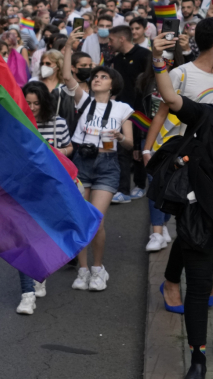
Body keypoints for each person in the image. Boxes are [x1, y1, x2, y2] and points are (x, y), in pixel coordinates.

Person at [150, 32, 213, 379]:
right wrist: (159, 61)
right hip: (200, 215)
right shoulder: (206, 114)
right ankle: (197, 360)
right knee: (199, 288)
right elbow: (171, 98)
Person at [63, 28, 133, 292]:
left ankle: (98, 268)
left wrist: (120, 136)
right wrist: (68, 47)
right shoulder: (84, 101)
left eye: (103, 77)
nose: (97, 79)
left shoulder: (122, 108)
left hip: (107, 164)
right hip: (82, 162)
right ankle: (82, 270)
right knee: (81, 218)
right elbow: (67, 76)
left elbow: (129, 143)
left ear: (112, 84)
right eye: (95, 77)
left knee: (96, 220)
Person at [15, 82, 73, 315]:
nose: (32, 108)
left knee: (43, 236)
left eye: (36, 103)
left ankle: (41, 274)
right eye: (28, 103)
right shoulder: (17, 121)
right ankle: (27, 292)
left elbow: (69, 148)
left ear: (44, 103)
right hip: (22, 187)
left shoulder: (57, 123)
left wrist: (55, 152)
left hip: (49, 188)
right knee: (25, 239)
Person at [109, 24, 152, 203]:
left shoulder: (144, 55)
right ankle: (123, 189)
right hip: (121, 110)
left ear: (122, 39)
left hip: (141, 110)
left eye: (111, 39)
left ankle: (140, 185)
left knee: (139, 148)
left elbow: (150, 81)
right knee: (123, 149)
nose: (109, 43)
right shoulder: (117, 59)